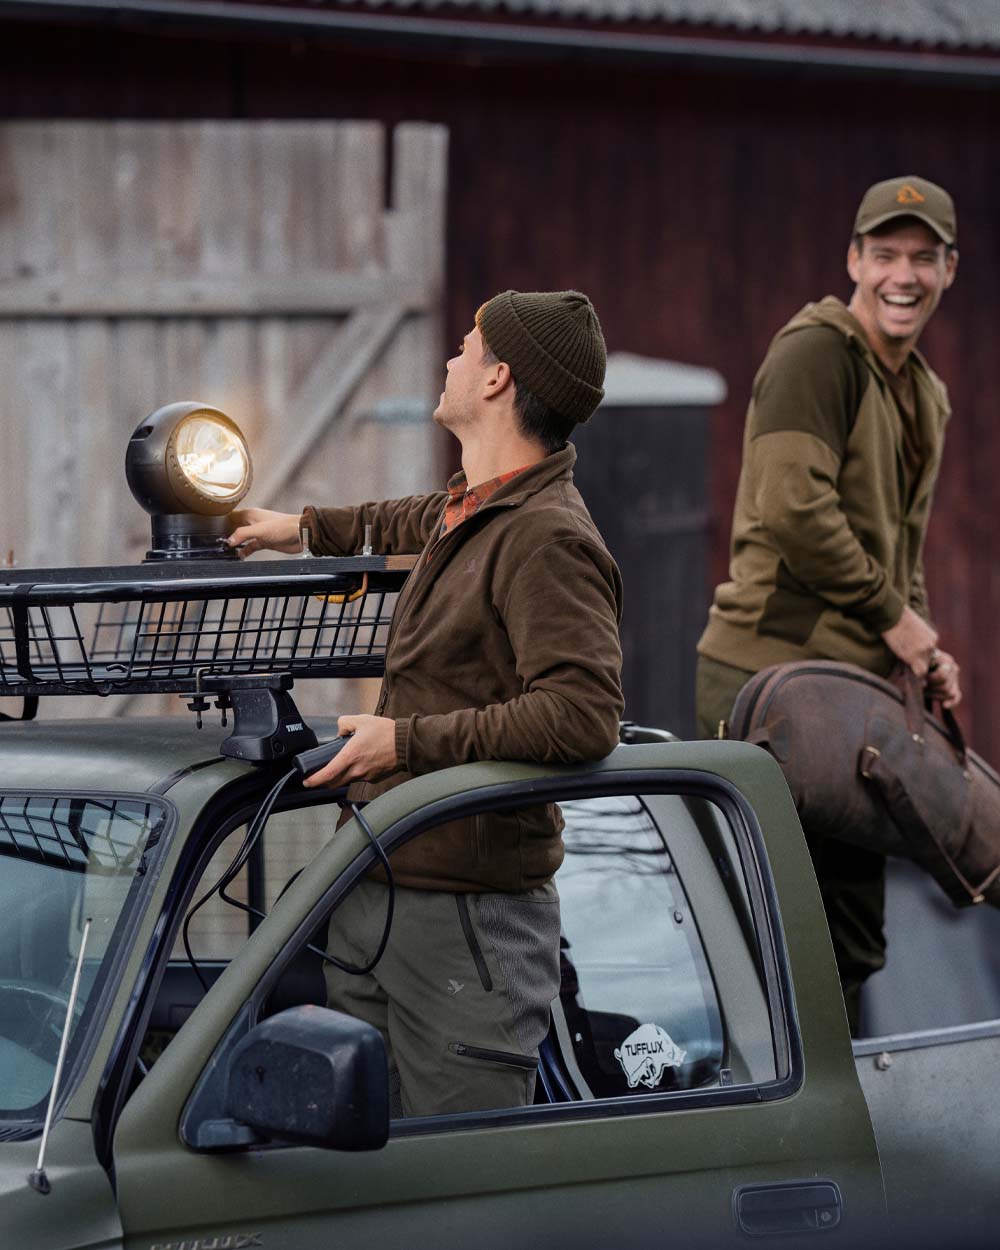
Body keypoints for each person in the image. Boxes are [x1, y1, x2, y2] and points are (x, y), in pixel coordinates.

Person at [229, 289, 624, 1114]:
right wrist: (293, 528)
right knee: (362, 1172)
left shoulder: (547, 537)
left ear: (497, 380)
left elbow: (583, 716)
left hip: (468, 924)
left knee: (459, 1185)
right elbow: (405, 518)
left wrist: (404, 744)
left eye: (466, 346)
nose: (449, 358)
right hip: (379, 884)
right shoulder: (477, 508)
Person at [696, 175, 961, 1034]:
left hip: (847, 691)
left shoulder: (922, 394)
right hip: (768, 677)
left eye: (924, 258)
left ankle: (834, 1125)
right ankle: (764, 1137)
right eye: (885, 255)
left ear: (950, 270)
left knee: (848, 938)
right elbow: (792, 508)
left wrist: (919, 651)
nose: (903, 275)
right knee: (773, 937)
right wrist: (896, 616)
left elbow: (900, 551)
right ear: (854, 260)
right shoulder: (817, 354)